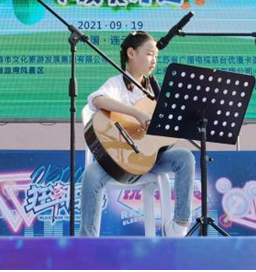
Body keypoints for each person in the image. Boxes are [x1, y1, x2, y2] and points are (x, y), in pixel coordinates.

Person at [80, 31, 195, 237]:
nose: (154, 60)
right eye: (149, 54)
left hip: (149, 159)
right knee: (91, 175)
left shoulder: (156, 91)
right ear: (131, 53)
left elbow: (165, 135)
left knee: (185, 157)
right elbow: (97, 100)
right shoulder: (117, 83)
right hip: (120, 159)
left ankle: (179, 226)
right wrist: (136, 113)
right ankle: (87, 241)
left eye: (156, 57)